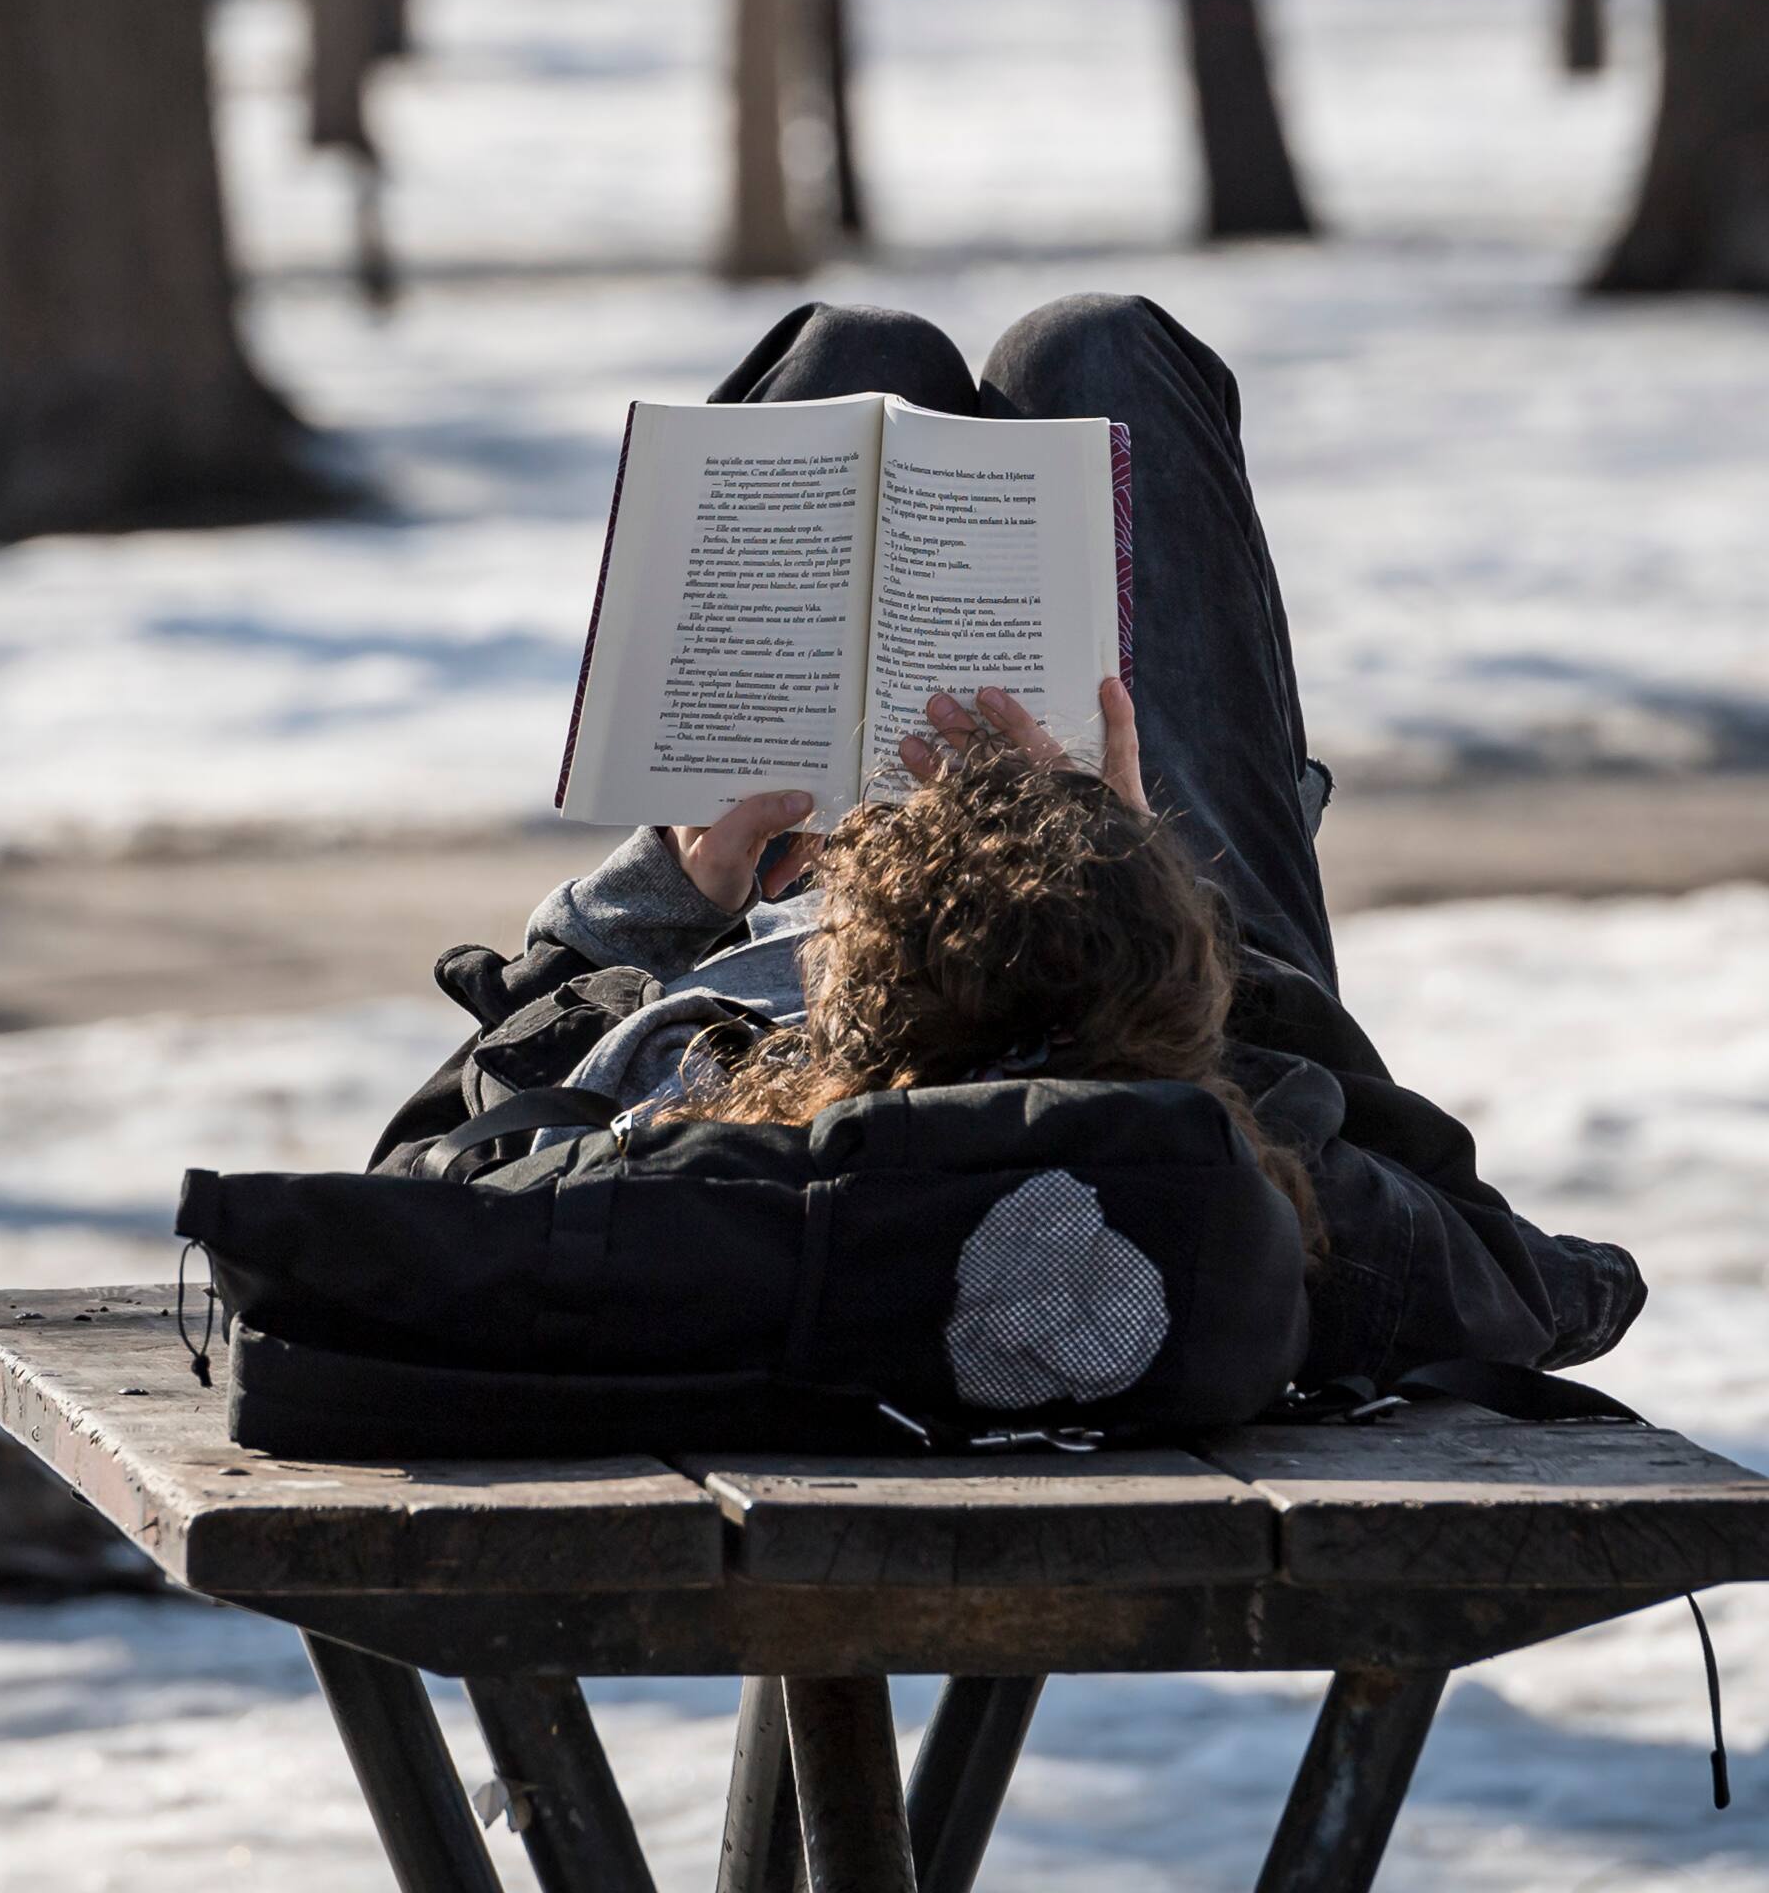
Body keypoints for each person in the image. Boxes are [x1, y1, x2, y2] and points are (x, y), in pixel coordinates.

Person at [467, 294, 1643, 1387]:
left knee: (853, 361)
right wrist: (1132, 875)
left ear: (854, 1000)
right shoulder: (1219, 1168)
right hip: (1157, 982)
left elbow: (451, 1181)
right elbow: (1533, 1287)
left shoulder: (707, 1167)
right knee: (1094, 350)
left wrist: (672, 900)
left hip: (785, 909)